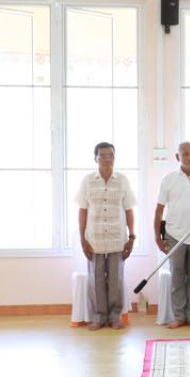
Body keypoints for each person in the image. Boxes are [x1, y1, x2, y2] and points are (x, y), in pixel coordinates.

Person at [75, 141, 137, 331]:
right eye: (102, 155)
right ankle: (98, 317)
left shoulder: (122, 180)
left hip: (117, 238)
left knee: (116, 279)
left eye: (110, 155)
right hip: (94, 239)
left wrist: (132, 237)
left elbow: (129, 210)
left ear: (114, 158)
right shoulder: (87, 181)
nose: (106, 159)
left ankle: (115, 317)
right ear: (95, 158)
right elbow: (83, 210)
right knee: (96, 279)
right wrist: (82, 239)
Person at [154, 141, 190, 329]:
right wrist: (158, 237)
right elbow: (159, 211)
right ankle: (178, 316)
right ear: (178, 156)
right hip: (174, 235)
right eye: (185, 153)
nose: (189, 157)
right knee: (177, 277)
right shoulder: (168, 180)